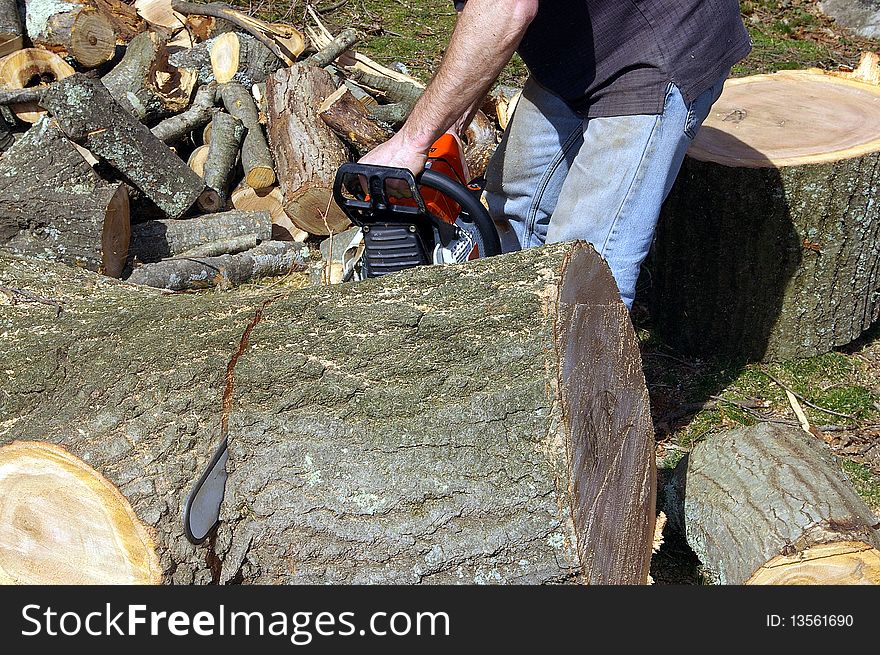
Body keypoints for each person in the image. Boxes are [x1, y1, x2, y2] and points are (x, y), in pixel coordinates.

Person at [359, 0, 752, 309]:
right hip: (576, 44)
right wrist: (446, 129)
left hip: (660, 45)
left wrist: (411, 141)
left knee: (586, 261)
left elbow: (506, 8)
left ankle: (583, 401)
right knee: (513, 207)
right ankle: (510, 353)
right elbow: (483, 25)